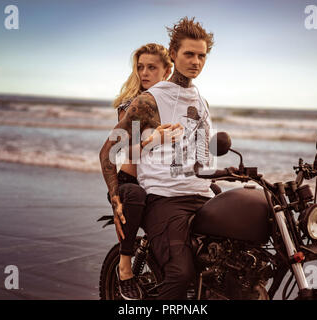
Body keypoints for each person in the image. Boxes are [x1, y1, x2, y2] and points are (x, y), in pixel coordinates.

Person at [100, 17, 215, 300]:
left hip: (199, 193)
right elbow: (110, 153)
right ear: (173, 55)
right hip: (163, 196)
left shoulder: (202, 103)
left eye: (202, 55)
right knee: (180, 274)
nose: (196, 61)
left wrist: (223, 177)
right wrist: (115, 198)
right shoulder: (148, 102)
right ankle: (126, 268)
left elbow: (200, 158)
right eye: (189, 54)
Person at [105, 43, 175, 300]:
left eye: (151, 67)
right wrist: (151, 140)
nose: (144, 73)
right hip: (131, 182)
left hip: (163, 181)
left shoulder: (174, 103)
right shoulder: (132, 105)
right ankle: (125, 267)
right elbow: (124, 150)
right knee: (134, 195)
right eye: (140, 67)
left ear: (167, 72)